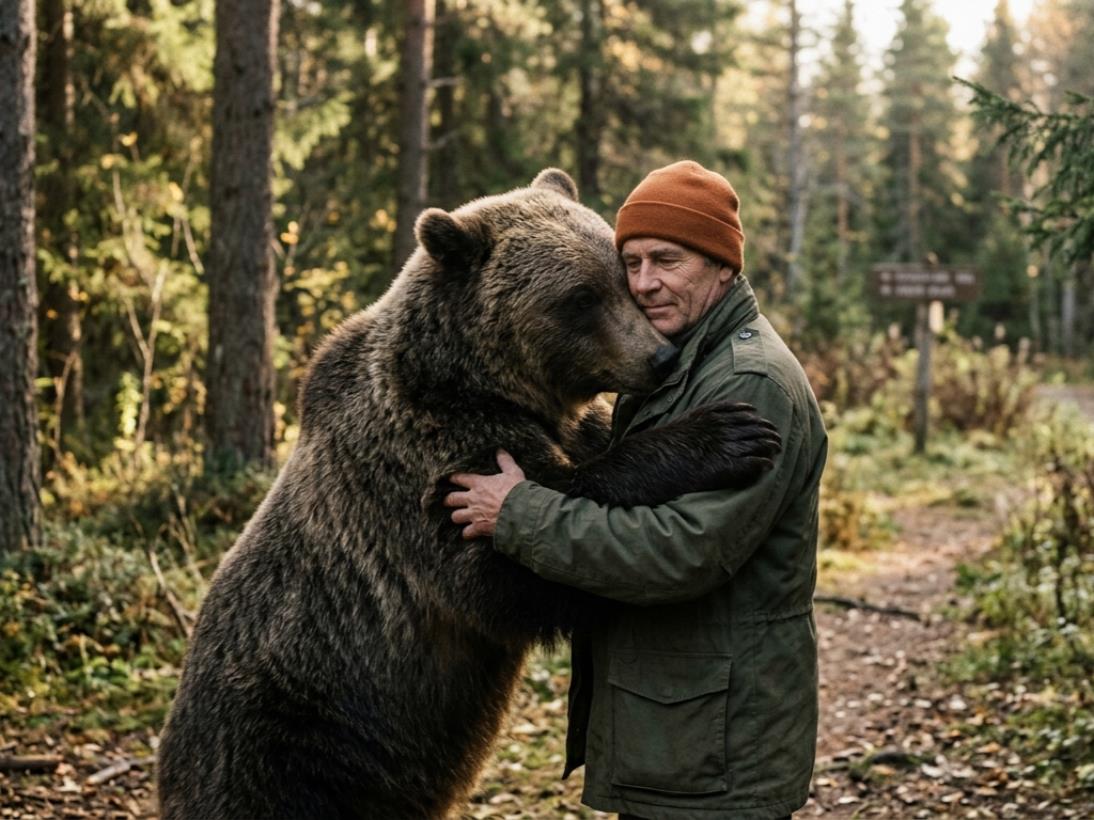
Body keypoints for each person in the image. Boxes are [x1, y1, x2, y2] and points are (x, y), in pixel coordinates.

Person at [445, 160, 827, 819]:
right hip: (676, 731)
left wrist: (518, 512)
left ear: (722, 265)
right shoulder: (677, 364)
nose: (644, 283)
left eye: (667, 260)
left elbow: (680, 552)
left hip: (716, 746)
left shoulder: (749, 379)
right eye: (632, 262)